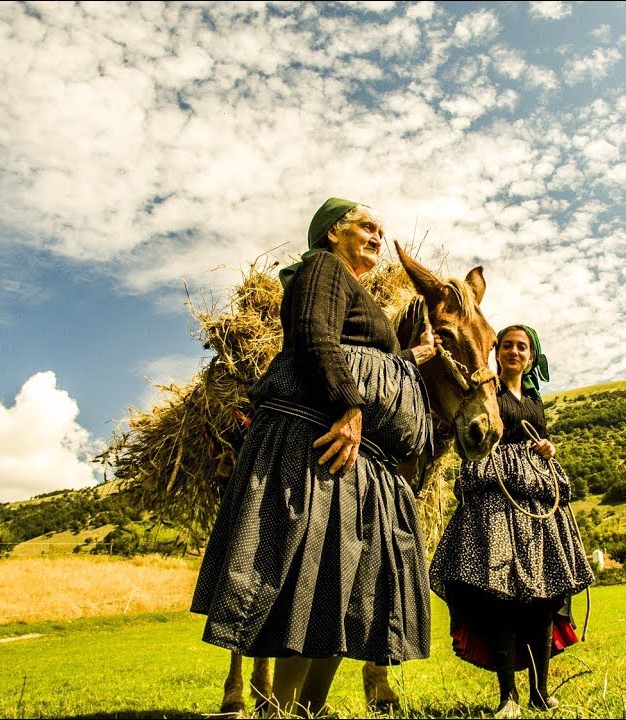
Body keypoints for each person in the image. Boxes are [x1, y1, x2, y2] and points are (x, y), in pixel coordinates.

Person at [190, 197, 440, 717]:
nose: (377, 236)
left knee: (344, 590)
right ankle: (279, 708)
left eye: (381, 230)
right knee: (311, 576)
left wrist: (409, 360)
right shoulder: (321, 268)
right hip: (320, 441)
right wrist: (349, 408)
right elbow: (313, 335)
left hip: (367, 459)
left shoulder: (358, 294)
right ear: (332, 233)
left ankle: (309, 710)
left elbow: (369, 358)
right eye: (367, 227)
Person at [429, 324, 596, 718]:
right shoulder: (487, 391)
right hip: (497, 501)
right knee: (500, 598)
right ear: (496, 352)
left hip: (538, 503)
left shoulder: (536, 400)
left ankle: (539, 692)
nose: (514, 352)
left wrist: (548, 447)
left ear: (531, 356)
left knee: (541, 600)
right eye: (507, 346)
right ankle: (508, 697)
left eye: (522, 347)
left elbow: (543, 441)